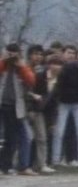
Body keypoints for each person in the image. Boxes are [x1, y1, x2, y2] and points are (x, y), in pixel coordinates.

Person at [0, 43, 38, 176]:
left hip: (16, 108)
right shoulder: (2, 65)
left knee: (17, 137)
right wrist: (4, 60)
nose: (11, 56)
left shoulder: (23, 68)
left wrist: (20, 66)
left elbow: (31, 81)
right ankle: (7, 166)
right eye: (9, 53)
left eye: (14, 53)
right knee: (6, 138)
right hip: (2, 105)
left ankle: (13, 166)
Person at [28, 55, 63, 174]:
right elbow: (29, 91)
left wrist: (53, 121)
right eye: (54, 64)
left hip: (47, 113)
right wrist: (32, 103)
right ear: (49, 64)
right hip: (35, 110)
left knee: (42, 138)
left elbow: (55, 102)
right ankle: (38, 164)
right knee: (39, 138)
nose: (57, 67)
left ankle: (39, 164)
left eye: (59, 65)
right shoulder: (39, 76)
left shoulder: (59, 81)